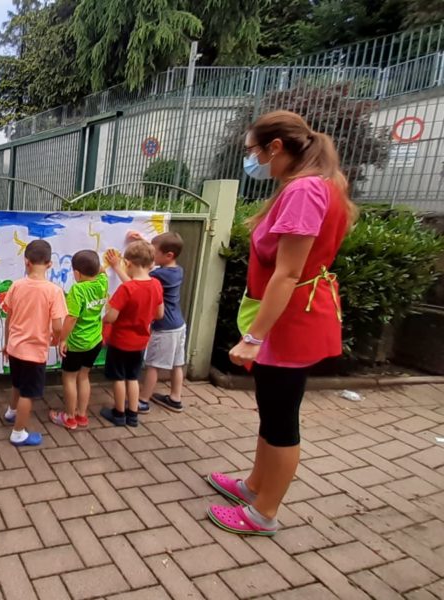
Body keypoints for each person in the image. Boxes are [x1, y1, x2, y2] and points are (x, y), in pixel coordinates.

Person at [205, 110, 354, 536]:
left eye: (253, 150)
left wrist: (255, 336)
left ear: (275, 147)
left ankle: (262, 513)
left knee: (281, 420)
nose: (251, 159)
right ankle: (253, 486)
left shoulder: (305, 191)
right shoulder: (318, 184)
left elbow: (288, 273)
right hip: (289, 318)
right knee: (272, 412)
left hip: (290, 323)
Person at [110, 231, 188, 413]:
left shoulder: (159, 276)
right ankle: (175, 397)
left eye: (155, 252)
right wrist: (143, 242)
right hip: (179, 324)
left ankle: (142, 401)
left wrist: (116, 267)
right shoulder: (177, 270)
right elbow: (153, 258)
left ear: (168, 255)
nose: (152, 256)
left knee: (153, 365)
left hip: (164, 328)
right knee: (177, 363)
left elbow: (134, 285)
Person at [1, 239, 67, 446]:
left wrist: (6, 342)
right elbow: (58, 325)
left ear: (26, 262)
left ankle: (12, 412)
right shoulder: (53, 291)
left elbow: (8, 318)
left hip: (15, 347)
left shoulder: (16, 286)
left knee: (17, 383)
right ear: (49, 264)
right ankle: (18, 432)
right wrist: (60, 339)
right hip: (34, 352)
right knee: (28, 394)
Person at [99, 241, 164, 427]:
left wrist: (106, 312)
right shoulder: (156, 285)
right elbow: (159, 314)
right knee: (133, 377)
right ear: (151, 263)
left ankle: (119, 413)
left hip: (120, 341)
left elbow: (111, 318)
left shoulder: (126, 289)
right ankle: (133, 415)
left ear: (127, 263)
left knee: (119, 378)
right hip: (141, 342)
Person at [51, 250, 108, 430]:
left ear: (76, 273)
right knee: (84, 377)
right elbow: (103, 272)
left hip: (76, 344)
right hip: (95, 341)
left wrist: (62, 339)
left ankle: (68, 417)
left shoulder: (77, 290)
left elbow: (71, 318)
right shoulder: (102, 282)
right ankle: (82, 415)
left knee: (69, 378)